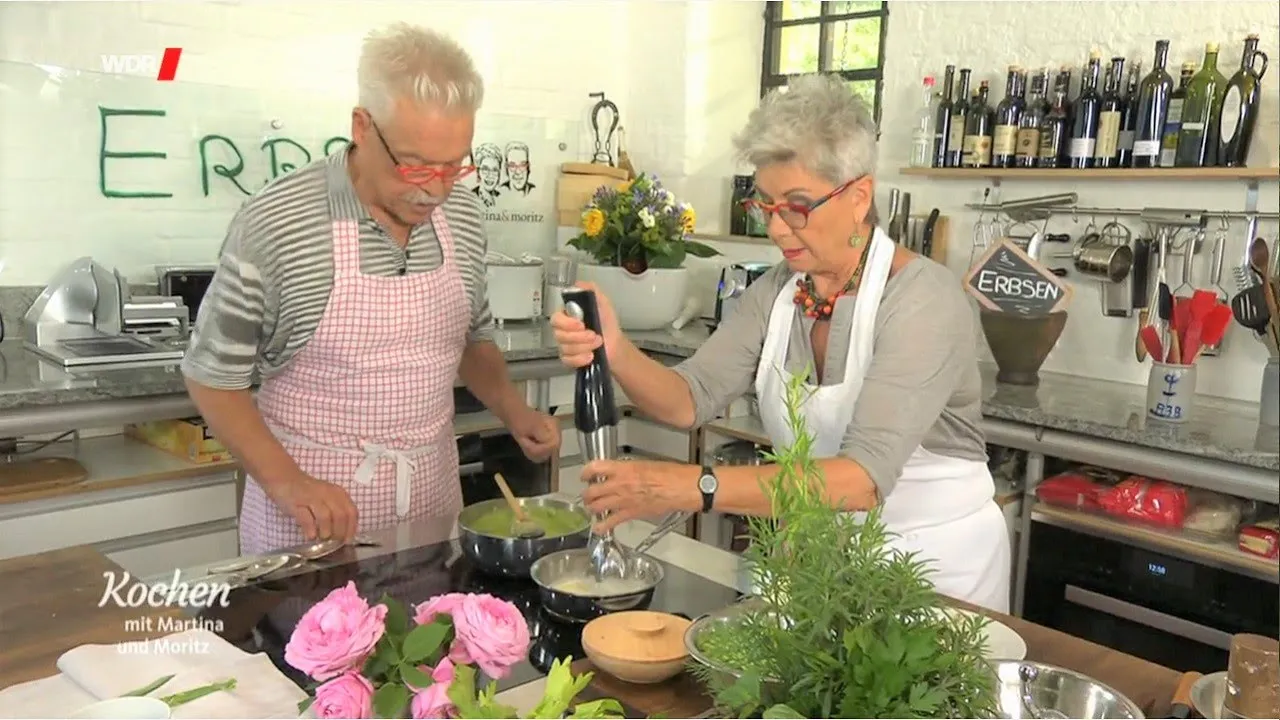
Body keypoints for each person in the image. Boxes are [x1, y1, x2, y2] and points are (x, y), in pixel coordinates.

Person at [550, 74, 1010, 612]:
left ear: (859, 197)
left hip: (938, 578)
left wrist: (690, 486)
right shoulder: (779, 292)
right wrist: (615, 347)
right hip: (827, 568)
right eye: (765, 205)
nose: (777, 228)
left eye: (797, 205)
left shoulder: (921, 299)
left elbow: (862, 479)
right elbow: (688, 397)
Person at [182, 23, 560, 556]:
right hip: (310, 529)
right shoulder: (280, 222)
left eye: (454, 165)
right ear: (362, 127)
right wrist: (291, 485)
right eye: (415, 165)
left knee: (429, 639)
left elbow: (471, 339)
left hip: (433, 514)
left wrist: (514, 410)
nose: (435, 188)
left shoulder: (466, 217)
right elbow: (212, 378)